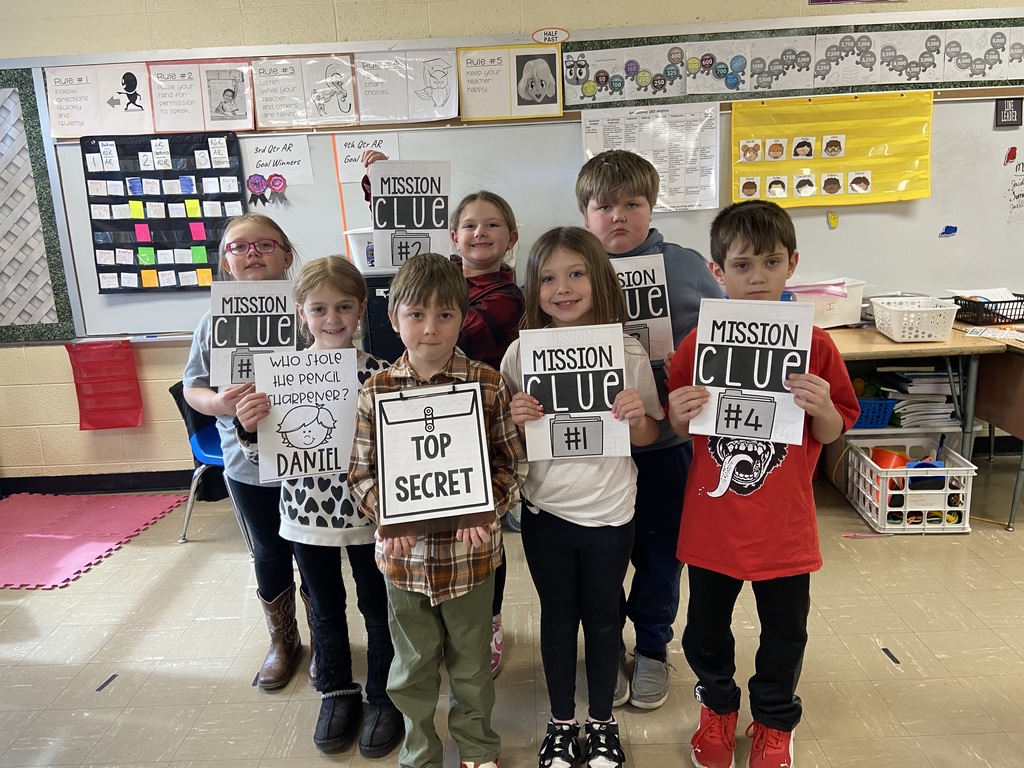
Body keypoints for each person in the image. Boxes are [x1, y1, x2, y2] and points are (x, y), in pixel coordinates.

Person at [666, 200, 859, 768]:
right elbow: (681, 426)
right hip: (713, 522)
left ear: (791, 264)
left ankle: (774, 719)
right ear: (717, 271)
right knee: (704, 628)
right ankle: (717, 706)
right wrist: (679, 412)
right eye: (742, 265)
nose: (757, 277)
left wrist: (823, 407)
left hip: (784, 525)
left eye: (771, 262)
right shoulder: (697, 344)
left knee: (785, 632)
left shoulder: (817, 346)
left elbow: (834, 428)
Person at [348, 252, 524, 768]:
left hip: (470, 559)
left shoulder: (486, 383)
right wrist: (388, 515)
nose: (430, 328)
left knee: (471, 666)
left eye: (445, 315)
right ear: (393, 318)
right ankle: (419, 749)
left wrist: (486, 509)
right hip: (404, 562)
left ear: (463, 316)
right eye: (416, 314)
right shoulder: (376, 390)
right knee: (411, 667)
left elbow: (512, 463)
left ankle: (478, 748)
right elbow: (361, 474)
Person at [500, 226, 662, 768]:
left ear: (600, 279)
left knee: (603, 617)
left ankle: (602, 722)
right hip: (546, 510)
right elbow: (508, 441)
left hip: (611, 511)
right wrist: (516, 419)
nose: (563, 288)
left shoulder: (627, 351)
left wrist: (637, 418)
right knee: (557, 617)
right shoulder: (520, 354)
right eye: (548, 278)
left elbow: (647, 436)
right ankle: (561, 722)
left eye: (576, 274)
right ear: (534, 288)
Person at [232, 257, 403, 757]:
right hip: (306, 516)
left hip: (371, 517)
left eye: (344, 307)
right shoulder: (281, 377)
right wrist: (248, 426)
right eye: (320, 308)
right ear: (300, 311)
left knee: (378, 605)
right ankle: (335, 690)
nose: (333, 319)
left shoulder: (381, 374)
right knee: (324, 607)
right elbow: (261, 458)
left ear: (362, 309)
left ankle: (383, 693)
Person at [575, 149, 723, 710]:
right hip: (599, 449)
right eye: (604, 206)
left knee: (662, 555)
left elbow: (725, 337)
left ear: (652, 207)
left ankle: (654, 647)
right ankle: (608, 645)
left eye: (632, 205)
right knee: (602, 556)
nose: (618, 217)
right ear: (585, 214)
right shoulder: (573, 271)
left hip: (668, 444)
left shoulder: (686, 267)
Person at [183, 213, 307, 692]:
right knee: (269, 550)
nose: (252, 252)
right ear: (225, 263)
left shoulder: (309, 311)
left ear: (287, 256)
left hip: (307, 454)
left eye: (264, 244)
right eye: (239, 246)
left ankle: (326, 634)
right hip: (244, 459)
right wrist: (218, 404)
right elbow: (193, 387)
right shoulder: (212, 322)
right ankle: (283, 640)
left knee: (312, 549)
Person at [449, 190, 525, 677]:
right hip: (435, 419)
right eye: (470, 225)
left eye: (493, 224)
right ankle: (449, 622)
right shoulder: (443, 280)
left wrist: (434, 288)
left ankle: (490, 620)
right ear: (454, 236)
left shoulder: (509, 297)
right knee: (442, 528)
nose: (480, 232)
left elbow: (462, 331)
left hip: (485, 425)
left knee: (484, 529)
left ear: (511, 237)